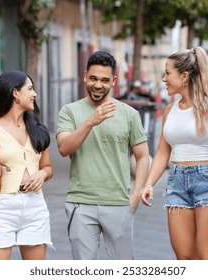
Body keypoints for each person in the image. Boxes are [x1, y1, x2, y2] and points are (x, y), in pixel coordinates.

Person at [141, 47, 208, 260]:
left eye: (167, 73)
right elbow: (163, 152)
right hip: (177, 184)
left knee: (206, 259)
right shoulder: (169, 111)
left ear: (184, 77)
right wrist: (149, 183)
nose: (164, 79)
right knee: (184, 258)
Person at [56, 51, 150, 260]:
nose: (98, 85)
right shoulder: (69, 111)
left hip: (119, 203)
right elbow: (64, 148)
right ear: (85, 76)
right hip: (81, 203)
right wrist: (90, 121)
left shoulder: (128, 114)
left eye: (105, 80)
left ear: (114, 81)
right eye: (93, 78)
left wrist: (136, 193)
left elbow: (143, 156)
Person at [0, 71, 53, 260]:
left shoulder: (38, 129)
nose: (35, 94)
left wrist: (42, 174)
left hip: (35, 206)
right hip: (0, 207)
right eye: (30, 89)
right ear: (15, 93)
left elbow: (48, 167)